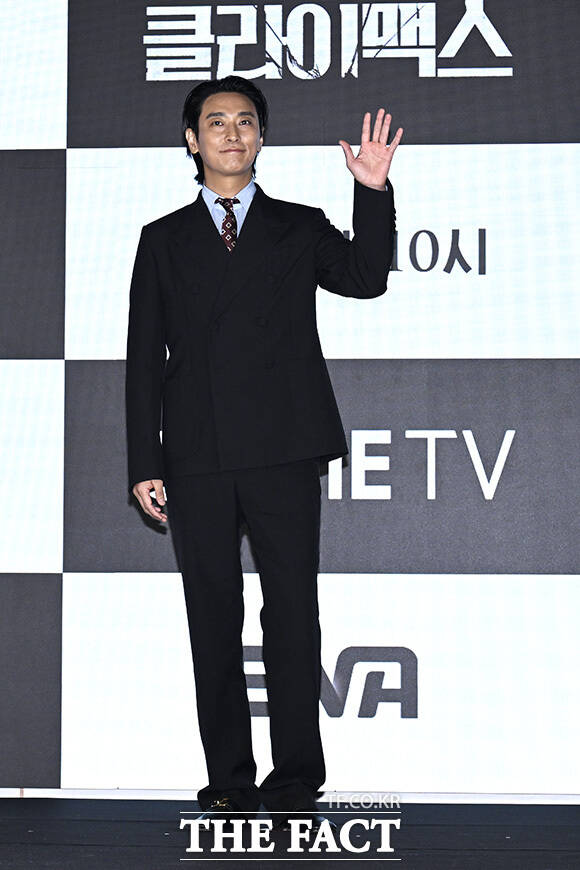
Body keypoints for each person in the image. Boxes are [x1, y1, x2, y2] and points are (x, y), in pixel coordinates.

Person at [125, 75, 401, 833]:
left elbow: (366, 278)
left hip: (283, 448)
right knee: (212, 614)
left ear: (261, 136)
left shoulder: (297, 225)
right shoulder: (163, 239)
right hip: (197, 454)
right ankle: (227, 778)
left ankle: (297, 776)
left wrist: (372, 191)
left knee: (292, 614)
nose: (232, 133)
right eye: (216, 122)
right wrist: (144, 461)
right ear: (193, 140)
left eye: (245, 121)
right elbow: (144, 359)